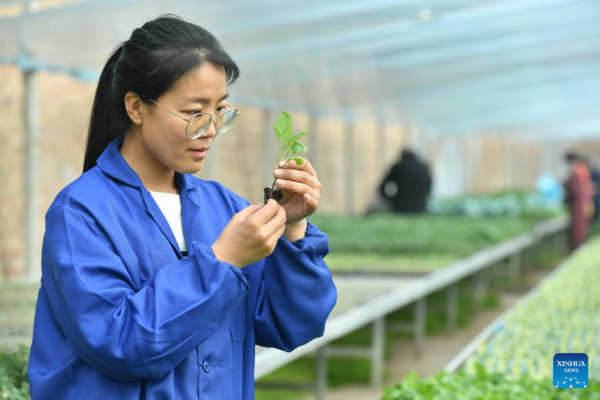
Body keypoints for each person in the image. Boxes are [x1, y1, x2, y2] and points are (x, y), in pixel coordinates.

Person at [27, 14, 337, 400]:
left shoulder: (224, 207)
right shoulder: (81, 213)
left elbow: (293, 325)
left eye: (220, 110)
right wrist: (222, 261)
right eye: (194, 113)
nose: (210, 129)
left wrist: (292, 232)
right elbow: (118, 342)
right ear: (136, 108)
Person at [378, 149, 432, 213]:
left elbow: (382, 187)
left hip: (401, 207)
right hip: (420, 208)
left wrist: (391, 200)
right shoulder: (423, 167)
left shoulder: (398, 167)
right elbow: (428, 187)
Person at [563, 152, 594, 252]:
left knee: (578, 226)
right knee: (583, 224)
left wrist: (564, 184)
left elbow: (574, 190)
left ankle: (577, 247)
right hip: (586, 201)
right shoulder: (584, 171)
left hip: (579, 204)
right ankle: (580, 244)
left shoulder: (577, 173)